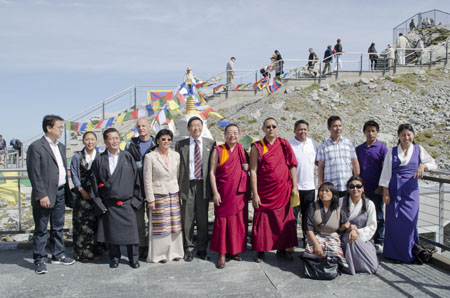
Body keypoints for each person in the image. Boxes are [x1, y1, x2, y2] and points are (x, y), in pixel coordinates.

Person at [379, 124, 437, 263]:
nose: (406, 137)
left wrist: (423, 166)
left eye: (409, 134)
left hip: (411, 191)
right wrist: (386, 192)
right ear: (399, 136)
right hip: (394, 190)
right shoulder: (392, 152)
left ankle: (408, 253)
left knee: (410, 222)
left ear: (413, 135)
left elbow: (433, 163)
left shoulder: (418, 149)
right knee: (393, 223)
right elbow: (386, 173)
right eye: (403, 135)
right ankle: (393, 253)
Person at [26, 115, 75, 274]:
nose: (62, 130)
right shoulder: (36, 147)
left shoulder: (60, 146)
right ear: (49, 128)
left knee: (58, 227)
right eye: (59, 127)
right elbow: (34, 174)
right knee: (41, 228)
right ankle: (39, 259)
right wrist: (42, 195)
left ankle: (58, 254)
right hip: (45, 194)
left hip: (60, 191)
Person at [91, 128, 143, 269]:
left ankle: (134, 258)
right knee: (112, 234)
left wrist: (135, 201)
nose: (115, 141)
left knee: (132, 235)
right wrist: (99, 203)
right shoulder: (99, 160)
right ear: (105, 141)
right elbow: (94, 184)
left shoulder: (128, 157)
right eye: (111, 138)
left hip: (127, 202)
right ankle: (114, 258)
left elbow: (137, 180)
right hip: (110, 204)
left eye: (117, 138)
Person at [250, 117, 298, 262]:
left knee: (282, 221)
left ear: (277, 128)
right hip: (265, 191)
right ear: (263, 129)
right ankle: (260, 250)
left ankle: (282, 249)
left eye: (273, 126)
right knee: (262, 221)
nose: (271, 129)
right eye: (268, 127)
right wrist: (255, 194)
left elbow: (292, 165)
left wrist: (295, 186)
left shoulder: (284, 144)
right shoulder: (257, 147)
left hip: (283, 190)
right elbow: (253, 170)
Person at [175, 116, 216, 261]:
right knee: (187, 219)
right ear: (188, 128)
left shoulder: (210, 144)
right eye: (193, 126)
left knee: (203, 219)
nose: (196, 128)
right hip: (187, 184)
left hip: (203, 185)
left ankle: (202, 248)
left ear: (202, 127)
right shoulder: (181, 145)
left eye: (198, 125)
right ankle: (188, 248)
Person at [209, 124, 249, 269]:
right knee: (222, 224)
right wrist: (215, 192)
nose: (232, 135)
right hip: (223, 193)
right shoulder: (218, 150)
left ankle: (234, 250)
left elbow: (250, 167)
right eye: (229, 133)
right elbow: (212, 173)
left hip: (239, 194)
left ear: (239, 134)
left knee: (237, 223)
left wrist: (248, 167)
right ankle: (222, 253)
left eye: (235, 133)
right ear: (224, 135)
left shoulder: (242, 150)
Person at [143, 129, 184, 263]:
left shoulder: (176, 155)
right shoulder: (150, 157)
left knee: (175, 224)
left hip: (173, 193)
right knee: (161, 225)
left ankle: (175, 252)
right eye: (163, 139)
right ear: (158, 141)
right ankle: (160, 254)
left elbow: (178, 175)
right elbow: (147, 179)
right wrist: (150, 199)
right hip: (158, 194)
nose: (166, 142)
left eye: (168, 139)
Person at [70, 132, 106, 262]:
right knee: (82, 224)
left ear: (96, 141)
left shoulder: (101, 156)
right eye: (87, 139)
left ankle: (98, 251)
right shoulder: (77, 156)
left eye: (92, 139)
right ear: (83, 141)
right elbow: (74, 173)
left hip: (97, 194)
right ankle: (83, 252)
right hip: (82, 194)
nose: (90, 142)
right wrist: (80, 189)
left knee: (97, 223)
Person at [355, 121, 388, 254]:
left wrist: (381, 187)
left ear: (377, 132)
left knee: (378, 215)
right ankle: (366, 239)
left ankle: (379, 241)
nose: (371, 133)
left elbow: (385, 169)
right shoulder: (359, 149)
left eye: (373, 131)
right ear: (364, 132)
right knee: (362, 215)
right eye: (368, 131)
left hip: (377, 189)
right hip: (362, 189)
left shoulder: (382, 149)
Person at [125, 117, 156, 259]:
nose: (141, 128)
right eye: (139, 126)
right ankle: (141, 245)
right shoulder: (131, 145)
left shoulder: (156, 143)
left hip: (154, 187)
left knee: (153, 218)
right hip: (136, 187)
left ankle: (152, 245)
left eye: (144, 125)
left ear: (149, 127)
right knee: (138, 220)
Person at [303, 182, 349, 270]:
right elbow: (308, 227)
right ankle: (314, 268)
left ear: (333, 193)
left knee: (334, 251)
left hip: (332, 236)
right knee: (315, 249)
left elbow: (344, 225)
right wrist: (316, 244)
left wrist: (348, 227)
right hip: (316, 235)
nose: (323, 193)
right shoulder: (313, 206)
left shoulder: (338, 208)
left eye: (327, 191)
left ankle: (332, 268)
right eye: (321, 190)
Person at [289, 120, 318, 247]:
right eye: (300, 129)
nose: (303, 132)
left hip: (310, 188)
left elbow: (319, 163)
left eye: (305, 129)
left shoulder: (313, 144)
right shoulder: (289, 145)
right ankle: (291, 244)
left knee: (308, 218)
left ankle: (308, 243)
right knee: (292, 218)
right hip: (294, 188)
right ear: (294, 130)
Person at [341, 176, 378, 275]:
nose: (355, 189)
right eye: (352, 186)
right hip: (344, 235)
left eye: (358, 186)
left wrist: (357, 231)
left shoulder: (369, 204)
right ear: (348, 189)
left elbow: (372, 226)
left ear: (363, 188)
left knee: (372, 265)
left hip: (363, 237)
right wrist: (347, 228)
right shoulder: (341, 202)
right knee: (350, 240)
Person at [317, 116, 360, 198]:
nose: (338, 128)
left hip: (347, 186)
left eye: (340, 126)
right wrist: (321, 184)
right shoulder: (323, 146)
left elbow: (355, 163)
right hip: (331, 187)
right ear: (329, 128)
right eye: (335, 126)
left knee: (347, 210)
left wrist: (356, 180)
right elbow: (320, 167)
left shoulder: (349, 143)